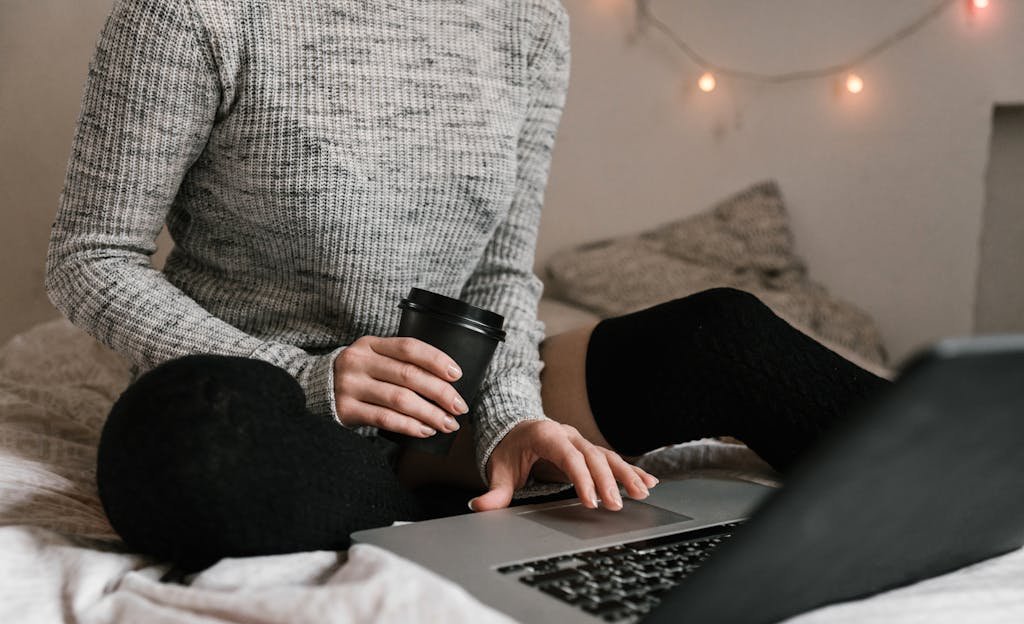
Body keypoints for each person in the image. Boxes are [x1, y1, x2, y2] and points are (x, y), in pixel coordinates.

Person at [47, 0, 886, 570]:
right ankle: (435, 502)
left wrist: (510, 415)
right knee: (182, 454)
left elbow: (498, 268)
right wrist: (309, 379)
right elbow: (90, 256)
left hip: (459, 397)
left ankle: (987, 468)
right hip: (270, 402)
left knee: (725, 332)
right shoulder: (193, 12)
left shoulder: (525, 18)